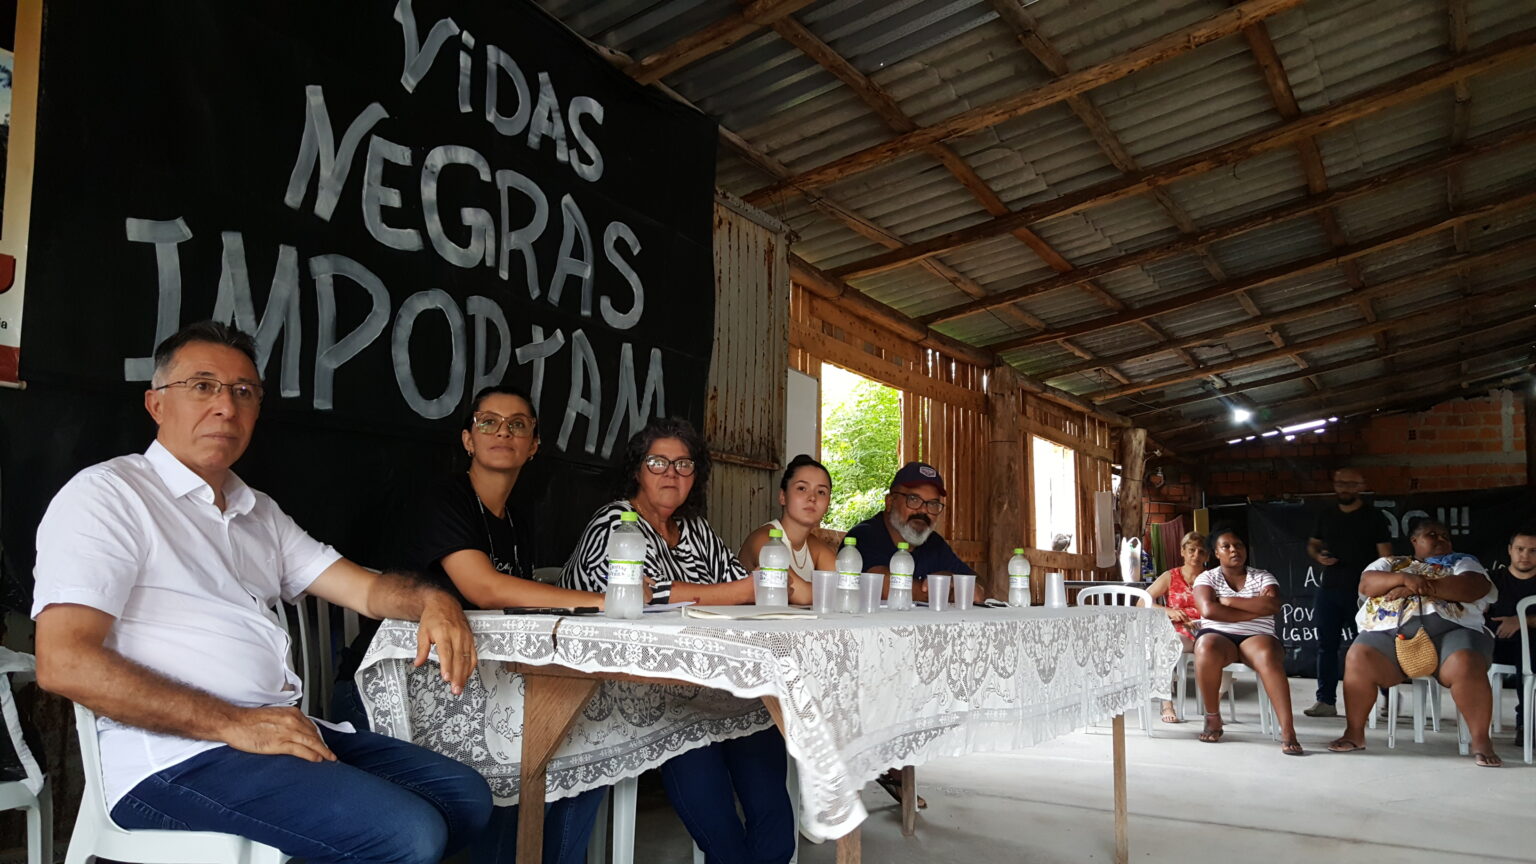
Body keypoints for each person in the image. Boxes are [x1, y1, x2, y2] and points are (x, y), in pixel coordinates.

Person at [31, 321, 492, 863]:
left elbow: (366, 590)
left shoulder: (257, 512)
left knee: (465, 798)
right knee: (406, 834)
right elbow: (63, 662)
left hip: (272, 731)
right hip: (175, 757)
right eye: (202, 386)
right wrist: (234, 723)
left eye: (244, 392)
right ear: (156, 405)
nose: (226, 406)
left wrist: (433, 600)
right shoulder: (110, 495)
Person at [561, 417, 794, 864]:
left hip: (715, 682)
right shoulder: (617, 523)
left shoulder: (697, 530)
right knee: (706, 783)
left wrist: (739, 590)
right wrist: (737, 591)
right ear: (637, 470)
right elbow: (634, 597)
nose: (671, 473)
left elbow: (744, 589)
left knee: (765, 747)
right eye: (658, 462)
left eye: (683, 464)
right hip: (643, 689)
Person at [408, 385, 614, 864]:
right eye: (489, 422)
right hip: (422, 676)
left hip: (485, 673)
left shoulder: (517, 517)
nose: (503, 431)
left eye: (518, 424)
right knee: (542, 749)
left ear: (534, 444)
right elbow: (485, 588)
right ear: (467, 438)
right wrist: (600, 602)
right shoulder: (445, 499)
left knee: (589, 744)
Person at [1326, 519, 1501, 766]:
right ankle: (1354, 733)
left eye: (1445, 536)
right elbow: (1367, 585)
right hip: (1388, 634)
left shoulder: (1462, 561)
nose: (1441, 540)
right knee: (1358, 655)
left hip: (1453, 631)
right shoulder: (1391, 563)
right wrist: (1407, 580)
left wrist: (1419, 587)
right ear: (1414, 541)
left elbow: (1474, 587)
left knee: (1467, 662)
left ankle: (1481, 740)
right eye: (1432, 534)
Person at [1192, 527, 1303, 755]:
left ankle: (1288, 730)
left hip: (1257, 636)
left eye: (1239, 545)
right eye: (1227, 546)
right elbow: (1208, 609)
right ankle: (1213, 718)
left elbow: (1272, 606)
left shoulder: (1262, 576)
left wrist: (1229, 602)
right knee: (1205, 647)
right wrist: (1253, 609)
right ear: (1216, 553)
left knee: (1267, 656)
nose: (1234, 550)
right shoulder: (1207, 578)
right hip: (1219, 635)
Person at [1303, 468, 1393, 717]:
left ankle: (1387, 697)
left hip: (1365, 594)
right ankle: (1326, 701)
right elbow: (1313, 543)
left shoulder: (1373, 517)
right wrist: (1318, 556)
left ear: (1361, 485)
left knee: (1371, 647)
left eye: (1350, 484)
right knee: (1326, 646)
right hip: (1329, 588)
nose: (1344, 488)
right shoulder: (1327, 514)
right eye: (1339, 482)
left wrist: (1382, 586)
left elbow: (1387, 556)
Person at [844, 461, 982, 605]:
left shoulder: (934, 543)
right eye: (914, 499)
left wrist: (954, 579)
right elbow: (884, 587)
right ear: (890, 502)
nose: (923, 510)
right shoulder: (864, 536)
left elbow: (979, 586)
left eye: (933, 504)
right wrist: (947, 589)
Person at [738, 454, 835, 605]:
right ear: (783, 496)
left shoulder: (815, 546)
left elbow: (843, 587)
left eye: (821, 492)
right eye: (802, 488)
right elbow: (801, 595)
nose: (812, 498)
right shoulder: (764, 539)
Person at [1145, 531, 1207, 723]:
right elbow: (1143, 601)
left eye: (1201, 551)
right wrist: (1168, 611)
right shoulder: (1170, 576)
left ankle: (1213, 703)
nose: (1196, 555)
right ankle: (1166, 704)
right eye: (1191, 550)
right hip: (1180, 632)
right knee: (1167, 645)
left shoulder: (1212, 577)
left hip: (1206, 630)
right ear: (1182, 551)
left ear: (1208, 556)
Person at [1486, 524, 1536, 741]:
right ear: (1509, 550)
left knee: (1531, 643)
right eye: (1520, 549)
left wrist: (1521, 621)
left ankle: (1527, 725)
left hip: (1530, 649)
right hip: (1494, 646)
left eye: (1533, 551)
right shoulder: (1491, 579)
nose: (1525, 555)